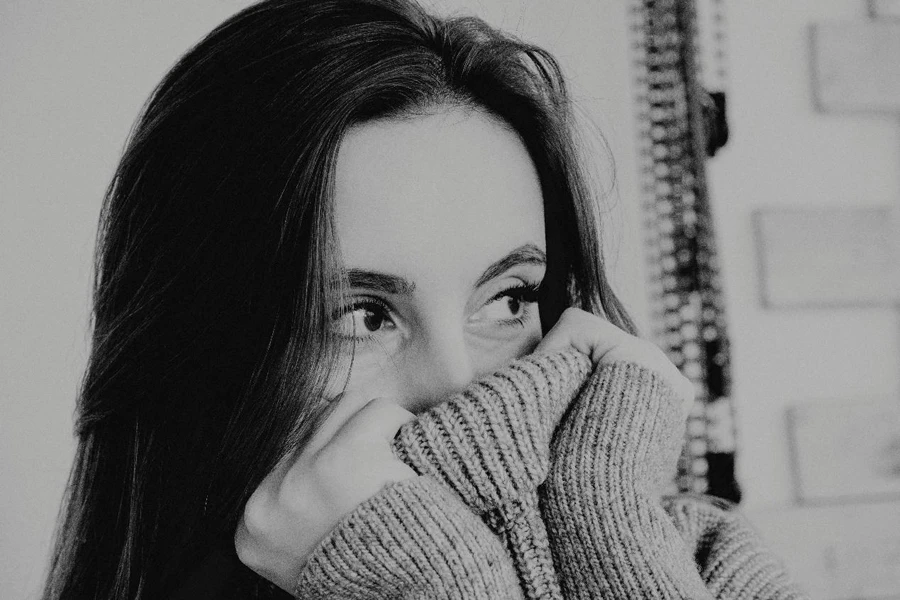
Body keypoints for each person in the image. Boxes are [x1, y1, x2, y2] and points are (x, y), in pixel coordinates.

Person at [43, 0, 808, 598]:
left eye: (510, 298)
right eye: (365, 315)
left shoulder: (706, 562)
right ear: (200, 349)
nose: (459, 388)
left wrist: (605, 514)